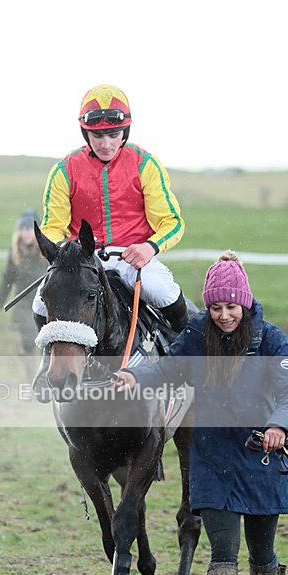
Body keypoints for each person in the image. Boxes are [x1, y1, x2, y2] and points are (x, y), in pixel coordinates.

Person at [114, 251, 288, 575]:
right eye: (216, 307)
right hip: (214, 459)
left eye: (231, 307)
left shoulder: (271, 339)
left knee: (262, 552)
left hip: (262, 458)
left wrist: (278, 425)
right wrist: (135, 375)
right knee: (223, 549)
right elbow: (167, 370)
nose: (223, 316)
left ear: (245, 303)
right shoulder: (197, 333)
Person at [32, 84, 189, 396]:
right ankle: (48, 363)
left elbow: (172, 222)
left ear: (124, 132)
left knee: (164, 291)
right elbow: (52, 227)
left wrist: (150, 247)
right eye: (97, 136)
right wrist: (65, 253)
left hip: (133, 258)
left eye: (113, 134)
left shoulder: (145, 164)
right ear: (86, 133)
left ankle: (184, 358)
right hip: (82, 262)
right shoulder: (64, 170)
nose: (106, 143)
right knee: (40, 302)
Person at [0, 208, 45, 355]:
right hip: (23, 303)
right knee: (29, 340)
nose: (25, 233)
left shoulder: (46, 250)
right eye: (22, 229)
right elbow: (6, 281)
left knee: (45, 343)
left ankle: (44, 369)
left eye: (29, 229)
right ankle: (27, 362)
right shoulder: (15, 253)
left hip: (44, 302)